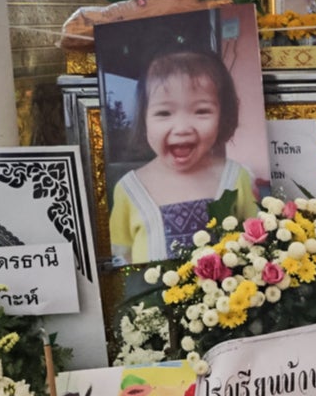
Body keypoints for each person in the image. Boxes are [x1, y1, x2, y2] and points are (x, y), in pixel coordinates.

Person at [109, 49, 258, 266]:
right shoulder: (129, 189)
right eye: (164, 113)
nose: (182, 128)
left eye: (201, 111)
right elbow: (122, 256)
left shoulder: (237, 178)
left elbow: (257, 242)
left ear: (223, 116)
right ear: (144, 120)